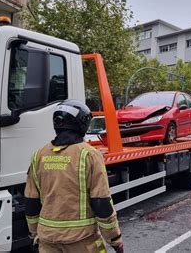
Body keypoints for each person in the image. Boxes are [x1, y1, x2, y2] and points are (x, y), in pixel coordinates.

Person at [24, 99, 124, 253]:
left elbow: (31, 203)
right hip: (82, 241)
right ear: (82, 123)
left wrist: (34, 235)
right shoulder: (89, 155)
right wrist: (115, 240)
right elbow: (101, 203)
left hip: (47, 241)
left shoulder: (38, 155)